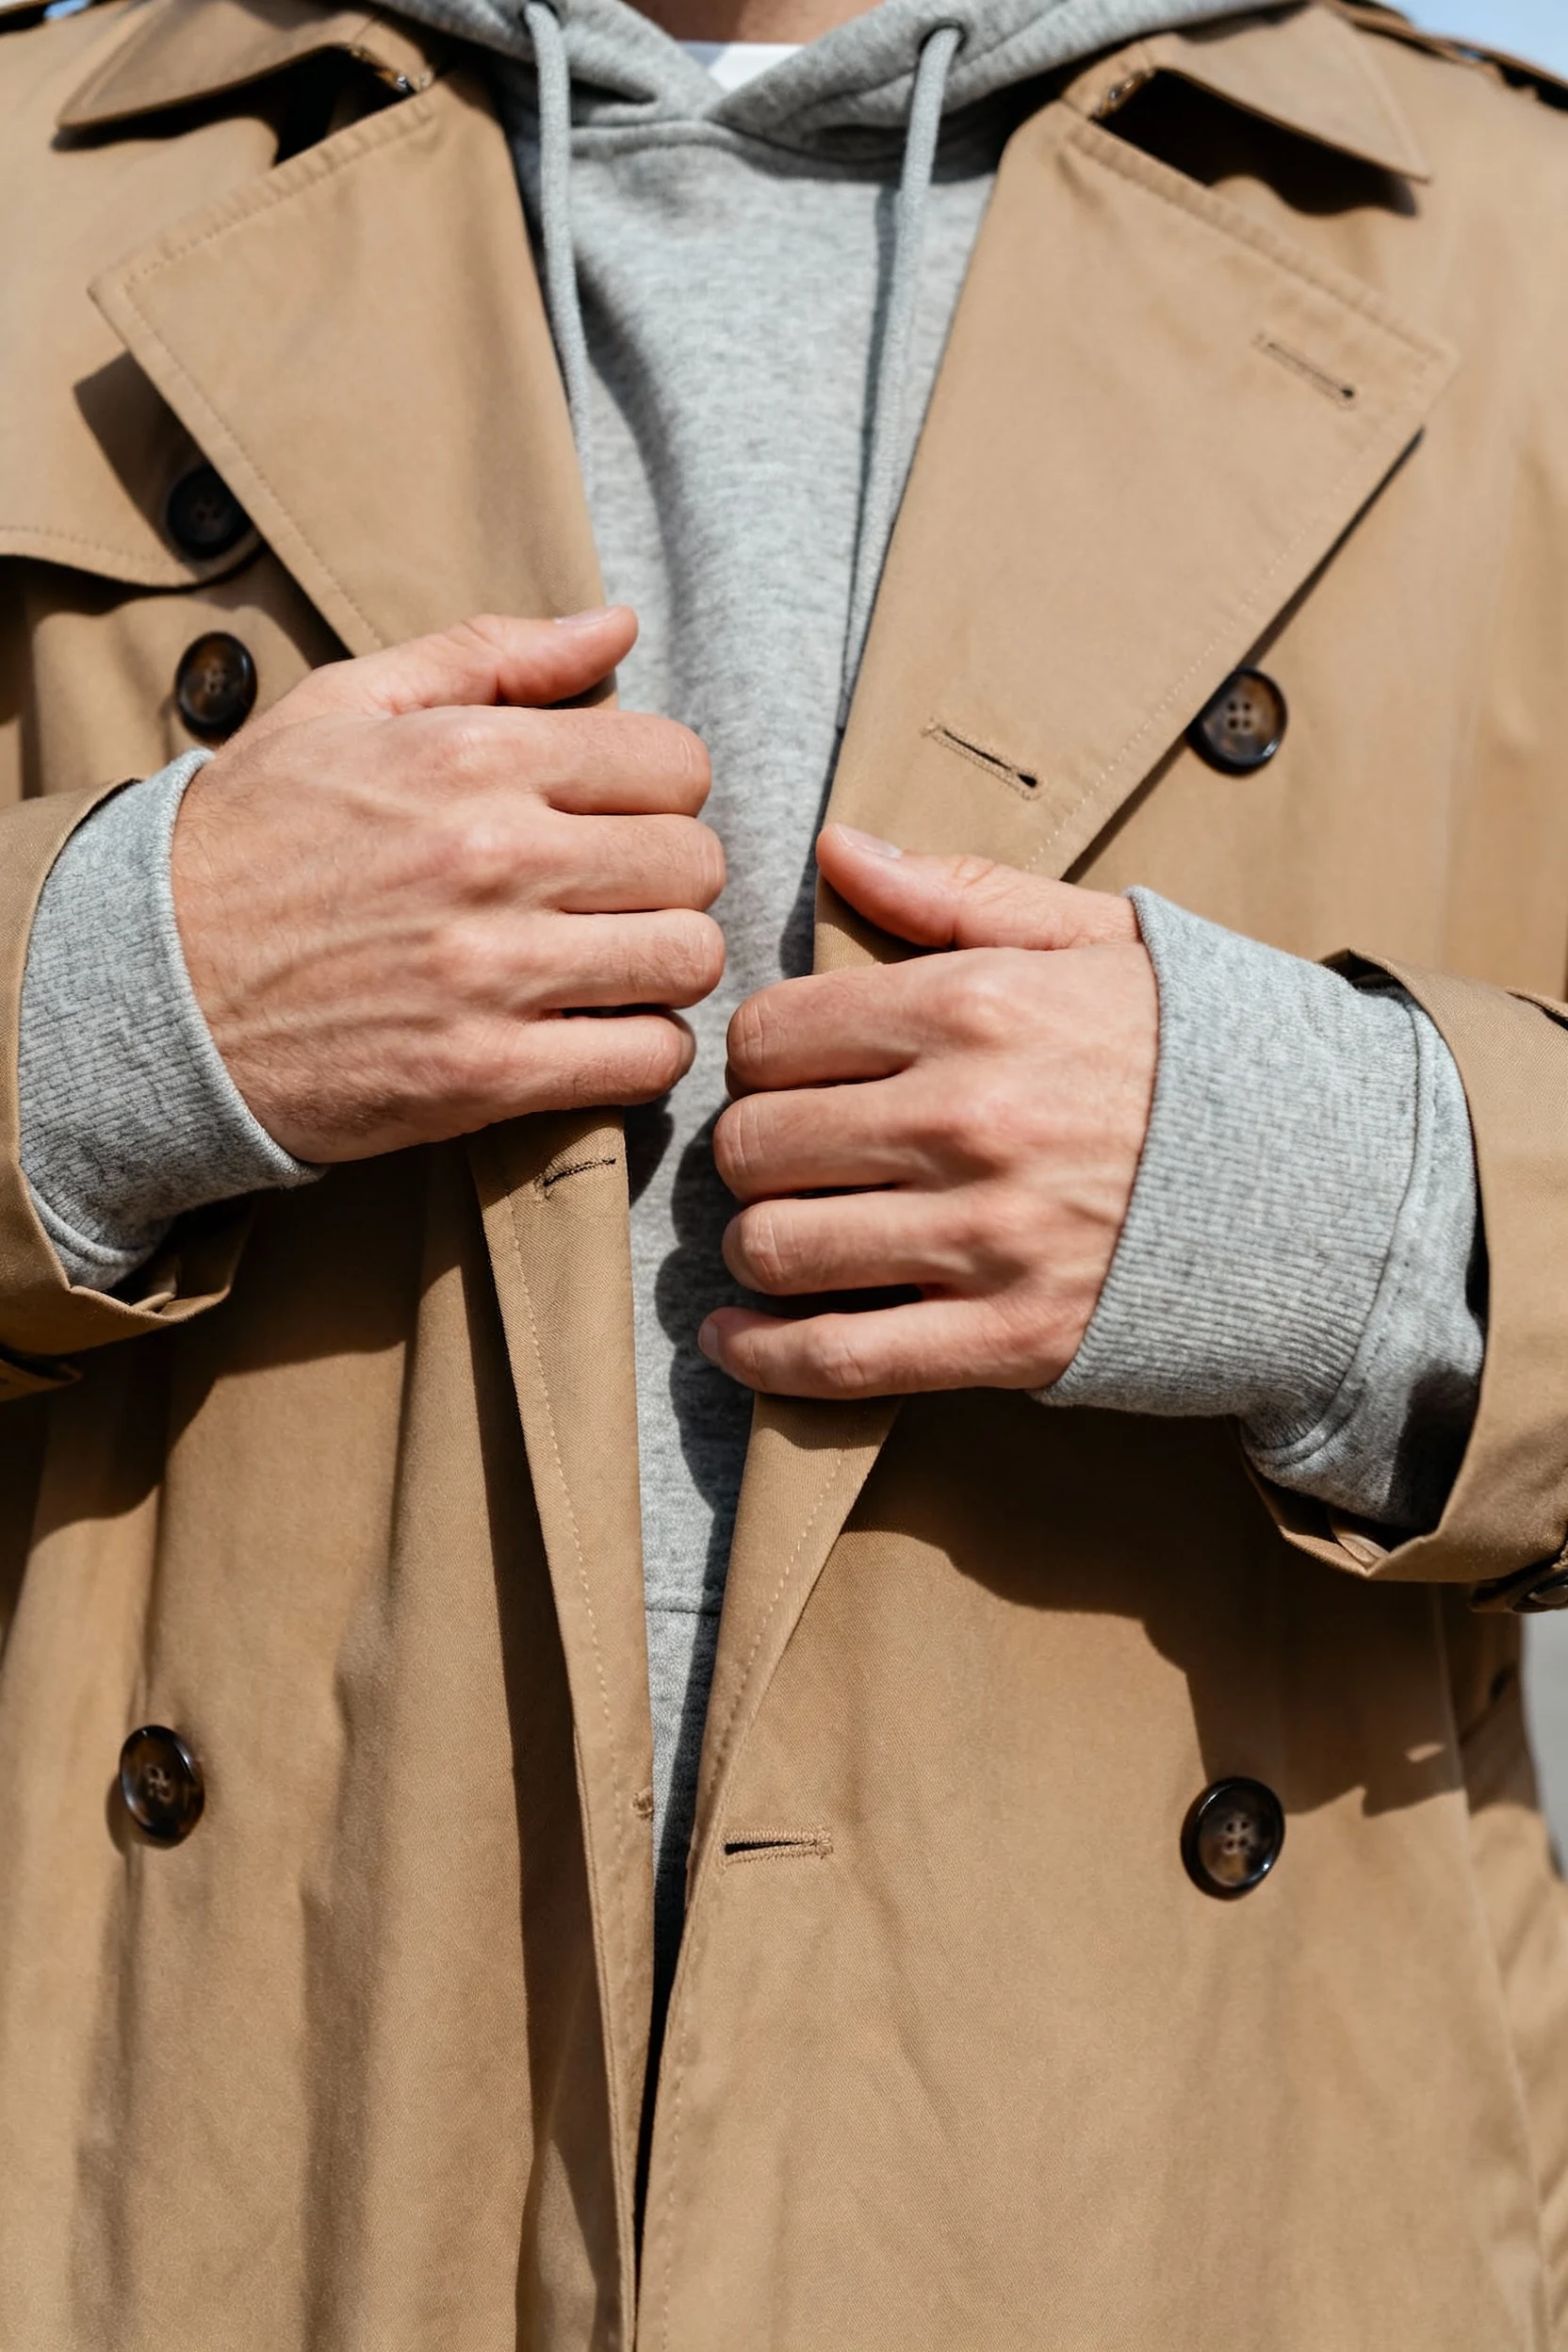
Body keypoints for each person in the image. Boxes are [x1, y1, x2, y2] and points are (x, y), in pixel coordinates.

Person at [2, 0, 1567, 2339]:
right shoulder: (40, 179)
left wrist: (1346, 1199)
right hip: (204, 2165)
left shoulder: (1514, 246)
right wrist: (103, 1009)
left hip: (1181, 2198)